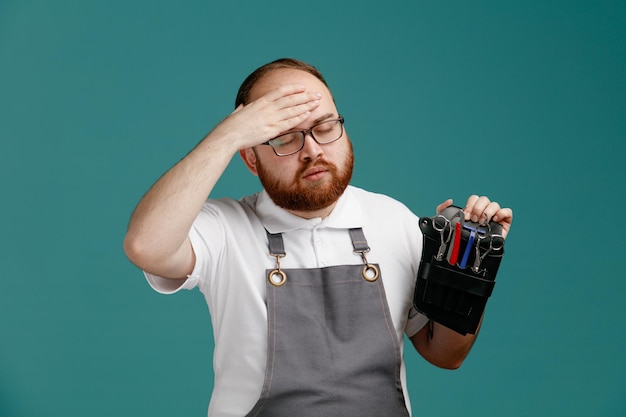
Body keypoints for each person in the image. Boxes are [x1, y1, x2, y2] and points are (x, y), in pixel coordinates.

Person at [124, 58, 513, 417]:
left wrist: (469, 281)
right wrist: (228, 135)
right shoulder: (224, 229)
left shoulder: (392, 220)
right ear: (250, 158)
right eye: (284, 137)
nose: (312, 150)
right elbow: (146, 245)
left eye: (325, 128)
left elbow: (445, 354)